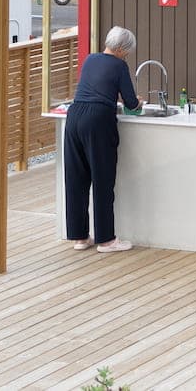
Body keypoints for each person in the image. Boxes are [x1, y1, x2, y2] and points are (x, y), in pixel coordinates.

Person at [63, 25, 140, 253]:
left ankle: (80, 237)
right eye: (127, 51)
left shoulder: (90, 59)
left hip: (74, 116)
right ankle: (106, 240)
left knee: (76, 179)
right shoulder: (119, 65)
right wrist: (139, 102)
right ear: (123, 49)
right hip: (98, 120)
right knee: (103, 179)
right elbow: (131, 103)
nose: (127, 55)